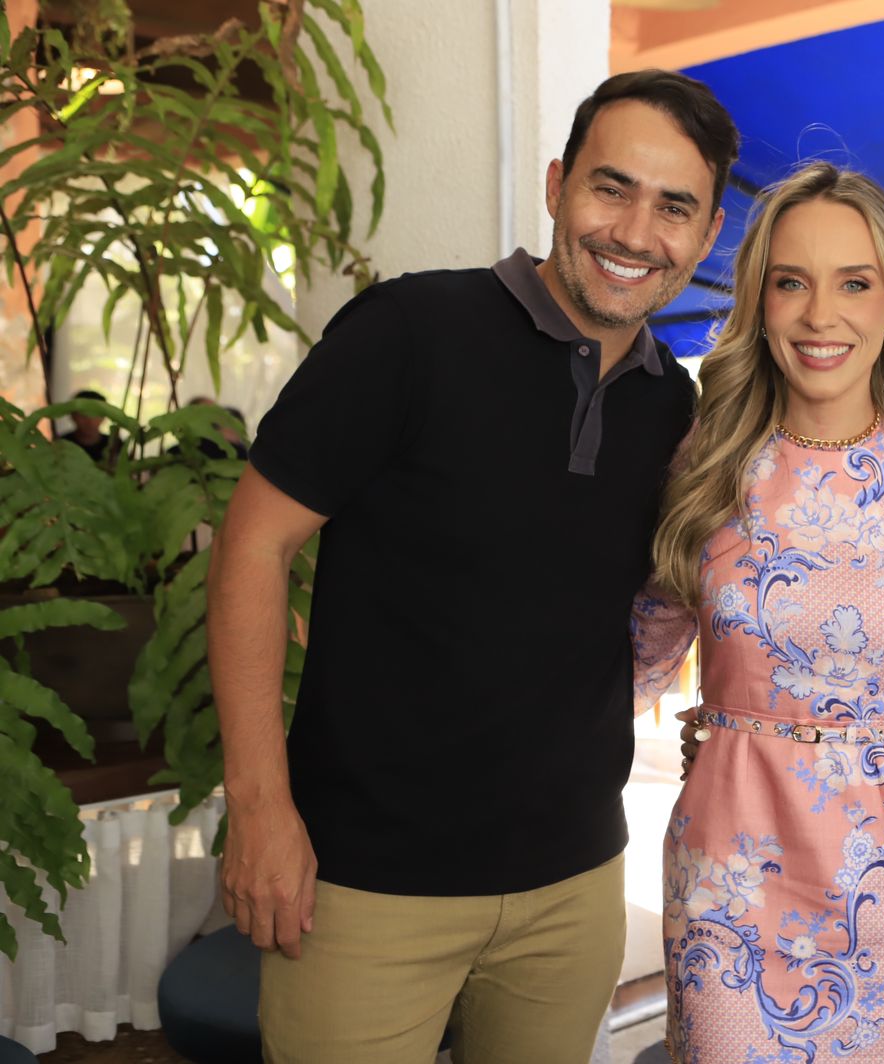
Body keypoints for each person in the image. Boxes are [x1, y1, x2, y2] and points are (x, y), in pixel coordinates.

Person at [207, 69, 737, 1064]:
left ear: (706, 237)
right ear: (555, 186)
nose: (633, 230)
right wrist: (261, 806)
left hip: (573, 884)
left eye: (674, 207)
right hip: (364, 882)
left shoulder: (678, 409)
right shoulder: (410, 333)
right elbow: (252, 546)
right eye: (609, 187)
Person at [633, 162, 884, 1062]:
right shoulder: (705, 462)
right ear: (759, 304)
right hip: (730, 893)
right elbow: (630, 662)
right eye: (792, 282)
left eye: (855, 284)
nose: (821, 315)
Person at [59, 388, 113, 463]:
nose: (90, 421)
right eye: (83, 414)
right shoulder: (60, 444)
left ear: (104, 417)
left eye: (95, 414)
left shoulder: (114, 444)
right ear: (72, 415)